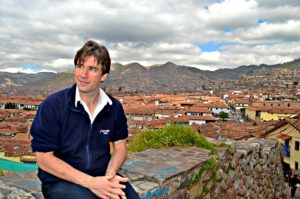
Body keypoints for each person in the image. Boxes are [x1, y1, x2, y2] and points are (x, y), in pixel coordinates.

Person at [31, 40, 139, 199]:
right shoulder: (54, 105)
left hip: (102, 175)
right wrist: (91, 183)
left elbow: (120, 147)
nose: (83, 75)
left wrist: (109, 176)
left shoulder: (113, 107)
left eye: (92, 69)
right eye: (80, 66)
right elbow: (44, 159)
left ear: (104, 76)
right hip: (61, 181)